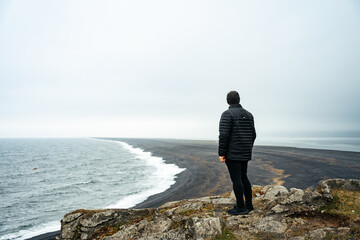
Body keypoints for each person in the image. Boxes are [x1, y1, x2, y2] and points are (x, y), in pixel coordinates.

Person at [218, 90, 256, 215]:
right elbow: (253, 134)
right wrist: (247, 147)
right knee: (244, 176)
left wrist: (222, 153)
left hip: (232, 153)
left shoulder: (227, 114)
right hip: (245, 152)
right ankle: (249, 205)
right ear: (239, 100)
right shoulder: (249, 114)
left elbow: (224, 135)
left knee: (236, 179)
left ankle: (240, 207)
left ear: (227, 101)